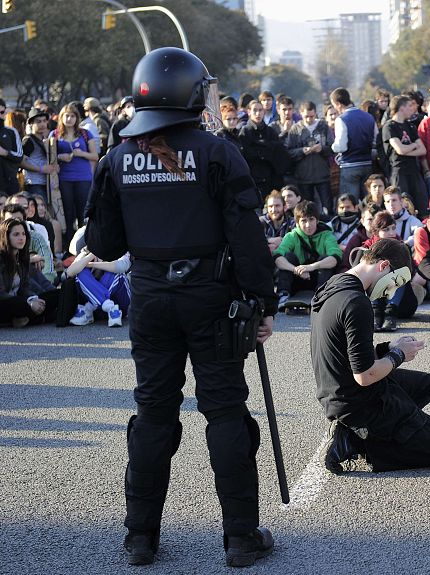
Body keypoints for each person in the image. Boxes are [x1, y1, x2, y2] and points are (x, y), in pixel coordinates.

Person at [83, 48, 278, 568]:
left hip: (148, 300)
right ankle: (240, 538)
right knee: (225, 414)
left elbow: (102, 243)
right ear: (191, 93)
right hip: (212, 299)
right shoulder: (218, 153)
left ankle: (139, 538)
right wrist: (263, 302)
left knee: (152, 414)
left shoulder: (117, 158)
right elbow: (248, 238)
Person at [310, 237, 430, 474]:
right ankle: (358, 440)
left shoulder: (335, 285)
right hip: (357, 401)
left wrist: (388, 347)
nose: (391, 292)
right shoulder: (357, 303)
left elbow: (345, 350)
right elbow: (365, 375)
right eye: (394, 283)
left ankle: (371, 429)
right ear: (383, 266)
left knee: (426, 384)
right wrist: (398, 354)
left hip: (334, 390)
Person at [273, 200, 341, 310]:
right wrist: (296, 269)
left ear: (317, 220)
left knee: (326, 259)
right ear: (297, 223)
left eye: (311, 220)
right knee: (288, 256)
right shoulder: (291, 236)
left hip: (319, 278)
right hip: (297, 278)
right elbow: (277, 257)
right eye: (303, 221)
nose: (308, 225)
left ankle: (322, 296)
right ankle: (283, 294)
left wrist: (311, 267)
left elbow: (335, 258)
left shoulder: (327, 235)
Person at [53, 102, 98, 247]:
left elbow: (95, 156)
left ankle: (85, 244)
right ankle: (68, 246)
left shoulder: (85, 133)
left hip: (83, 178)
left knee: (82, 212)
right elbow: (50, 157)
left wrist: (82, 154)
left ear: (77, 118)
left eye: (73, 116)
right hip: (64, 178)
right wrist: (60, 157)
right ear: (61, 117)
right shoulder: (54, 134)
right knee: (67, 212)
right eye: (67, 115)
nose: (69, 119)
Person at [0, 217, 58, 327]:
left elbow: (24, 288)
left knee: (55, 295)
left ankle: (25, 318)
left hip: (20, 303)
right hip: (6, 303)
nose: (21, 238)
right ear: (6, 236)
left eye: (23, 234)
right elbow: (1, 294)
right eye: (16, 234)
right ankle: (33, 317)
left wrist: (33, 299)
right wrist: (28, 302)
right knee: (16, 304)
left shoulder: (22, 258)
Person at [331, 88, 378, 199]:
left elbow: (341, 146)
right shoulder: (369, 117)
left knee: (350, 201)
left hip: (349, 165)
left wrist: (333, 146)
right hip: (367, 162)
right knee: (368, 200)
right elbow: (376, 140)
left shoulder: (341, 119)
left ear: (338, 104)